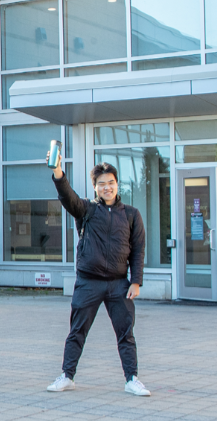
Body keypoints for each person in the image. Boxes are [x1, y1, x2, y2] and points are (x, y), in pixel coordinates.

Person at [45, 154, 150, 396]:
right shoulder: (87, 210)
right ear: (95, 187)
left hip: (118, 284)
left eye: (111, 182)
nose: (107, 187)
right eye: (101, 184)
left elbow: (138, 249)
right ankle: (67, 376)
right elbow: (67, 197)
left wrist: (136, 281)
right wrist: (58, 171)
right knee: (77, 332)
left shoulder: (131, 214)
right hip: (88, 282)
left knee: (126, 333)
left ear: (117, 184)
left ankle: (132, 379)